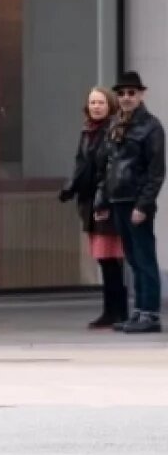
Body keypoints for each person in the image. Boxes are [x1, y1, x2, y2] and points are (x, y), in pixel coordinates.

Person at [94, 70, 165, 334]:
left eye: (131, 93)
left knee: (144, 258)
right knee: (133, 259)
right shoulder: (115, 125)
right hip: (118, 199)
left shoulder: (151, 127)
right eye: (122, 93)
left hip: (136, 201)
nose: (126, 97)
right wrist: (103, 201)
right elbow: (107, 165)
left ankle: (150, 314)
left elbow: (156, 172)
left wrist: (143, 205)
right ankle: (139, 311)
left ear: (141, 95)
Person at [59, 87, 126, 329]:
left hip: (104, 202)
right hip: (89, 201)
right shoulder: (87, 132)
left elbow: (111, 170)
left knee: (110, 259)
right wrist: (70, 187)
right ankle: (111, 311)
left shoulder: (113, 131)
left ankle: (117, 311)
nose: (96, 106)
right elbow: (81, 164)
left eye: (100, 102)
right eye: (92, 102)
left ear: (110, 105)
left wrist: (103, 201)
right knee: (103, 259)